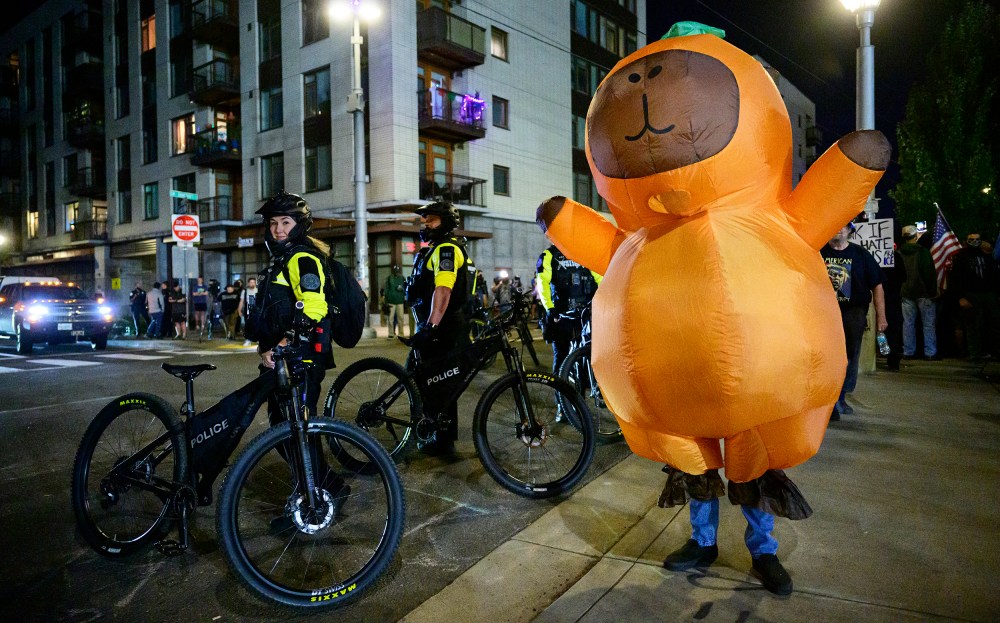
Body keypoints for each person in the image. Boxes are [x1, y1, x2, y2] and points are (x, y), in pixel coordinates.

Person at [251, 191, 335, 422]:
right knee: (284, 424)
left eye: (286, 222)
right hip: (285, 358)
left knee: (300, 427)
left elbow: (315, 306)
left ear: (299, 225)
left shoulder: (302, 258)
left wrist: (282, 345)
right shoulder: (284, 259)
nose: (278, 229)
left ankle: (313, 461)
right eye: (273, 223)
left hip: (300, 358)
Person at [405, 201, 470, 454]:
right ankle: (432, 431)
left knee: (439, 383)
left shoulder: (446, 250)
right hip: (438, 326)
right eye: (425, 221)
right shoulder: (434, 250)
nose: (426, 225)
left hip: (443, 328)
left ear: (445, 222)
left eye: (431, 220)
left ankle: (441, 441)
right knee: (423, 379)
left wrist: (431, 327)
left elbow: (443, 289)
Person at [821, 223, 887, 419]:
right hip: (823, 313)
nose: (838, 229)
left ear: (850, 230)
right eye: (835, 224)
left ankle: (839, 396)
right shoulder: (818, 253)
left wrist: (881, 317)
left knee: (849, 355)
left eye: (844, 226)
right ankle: (827, 400)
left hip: (853, 312)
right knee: (826, 356)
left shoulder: (861, 254)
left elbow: (878, 286)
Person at [535, 244, 602, 374]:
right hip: (561, 314)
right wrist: (549, 307)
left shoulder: (586, 253)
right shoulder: (549, 255)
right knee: (561, 355)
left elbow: (600, 278)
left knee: (593, 350)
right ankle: (560, 391)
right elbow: (542, 282)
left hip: (586, 312)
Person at [949, 232, 1000, 361]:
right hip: (971, 294)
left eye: (977, 239)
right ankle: (974, 353)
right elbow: (956, 279)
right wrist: (960, 297)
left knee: (992, 324)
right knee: (973, 325)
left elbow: (994, 275)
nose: (975, 242)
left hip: (988, 293)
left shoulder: (987, 256)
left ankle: (992, 351)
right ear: (967, 241)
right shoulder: (962, 257)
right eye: (972, 239)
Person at [898, 224, 939, 359]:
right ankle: (930, 352)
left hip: (905, 292)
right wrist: (933, 291)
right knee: (928, 324)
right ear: (915, 237)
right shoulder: (922, 252)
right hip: (923, 293)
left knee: (908, 323)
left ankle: (908, 351)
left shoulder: (898, 252)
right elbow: (928, 273)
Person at [384, 265, 407, 339]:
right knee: (391, 319)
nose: (396, 272)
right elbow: (386, 290)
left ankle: (401, 333)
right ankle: (391, 333)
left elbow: (406, 288)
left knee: (400, 318)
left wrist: (402, 289)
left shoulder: (402, 278)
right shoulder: (389, 278)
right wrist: (386, 301)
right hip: (392, 301)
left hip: (399, 300)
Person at [239, 277, 259, 347]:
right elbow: (241, 301)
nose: (252, 284)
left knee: (258, 325)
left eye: (253, 282)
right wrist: (239, 310)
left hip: (257, 311)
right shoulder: (245, 291)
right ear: (248, 283)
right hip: (248, 311)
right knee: (248, 326)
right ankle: (248, 339)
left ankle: (258, 339)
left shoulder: (258, 290)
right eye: (251, 282)